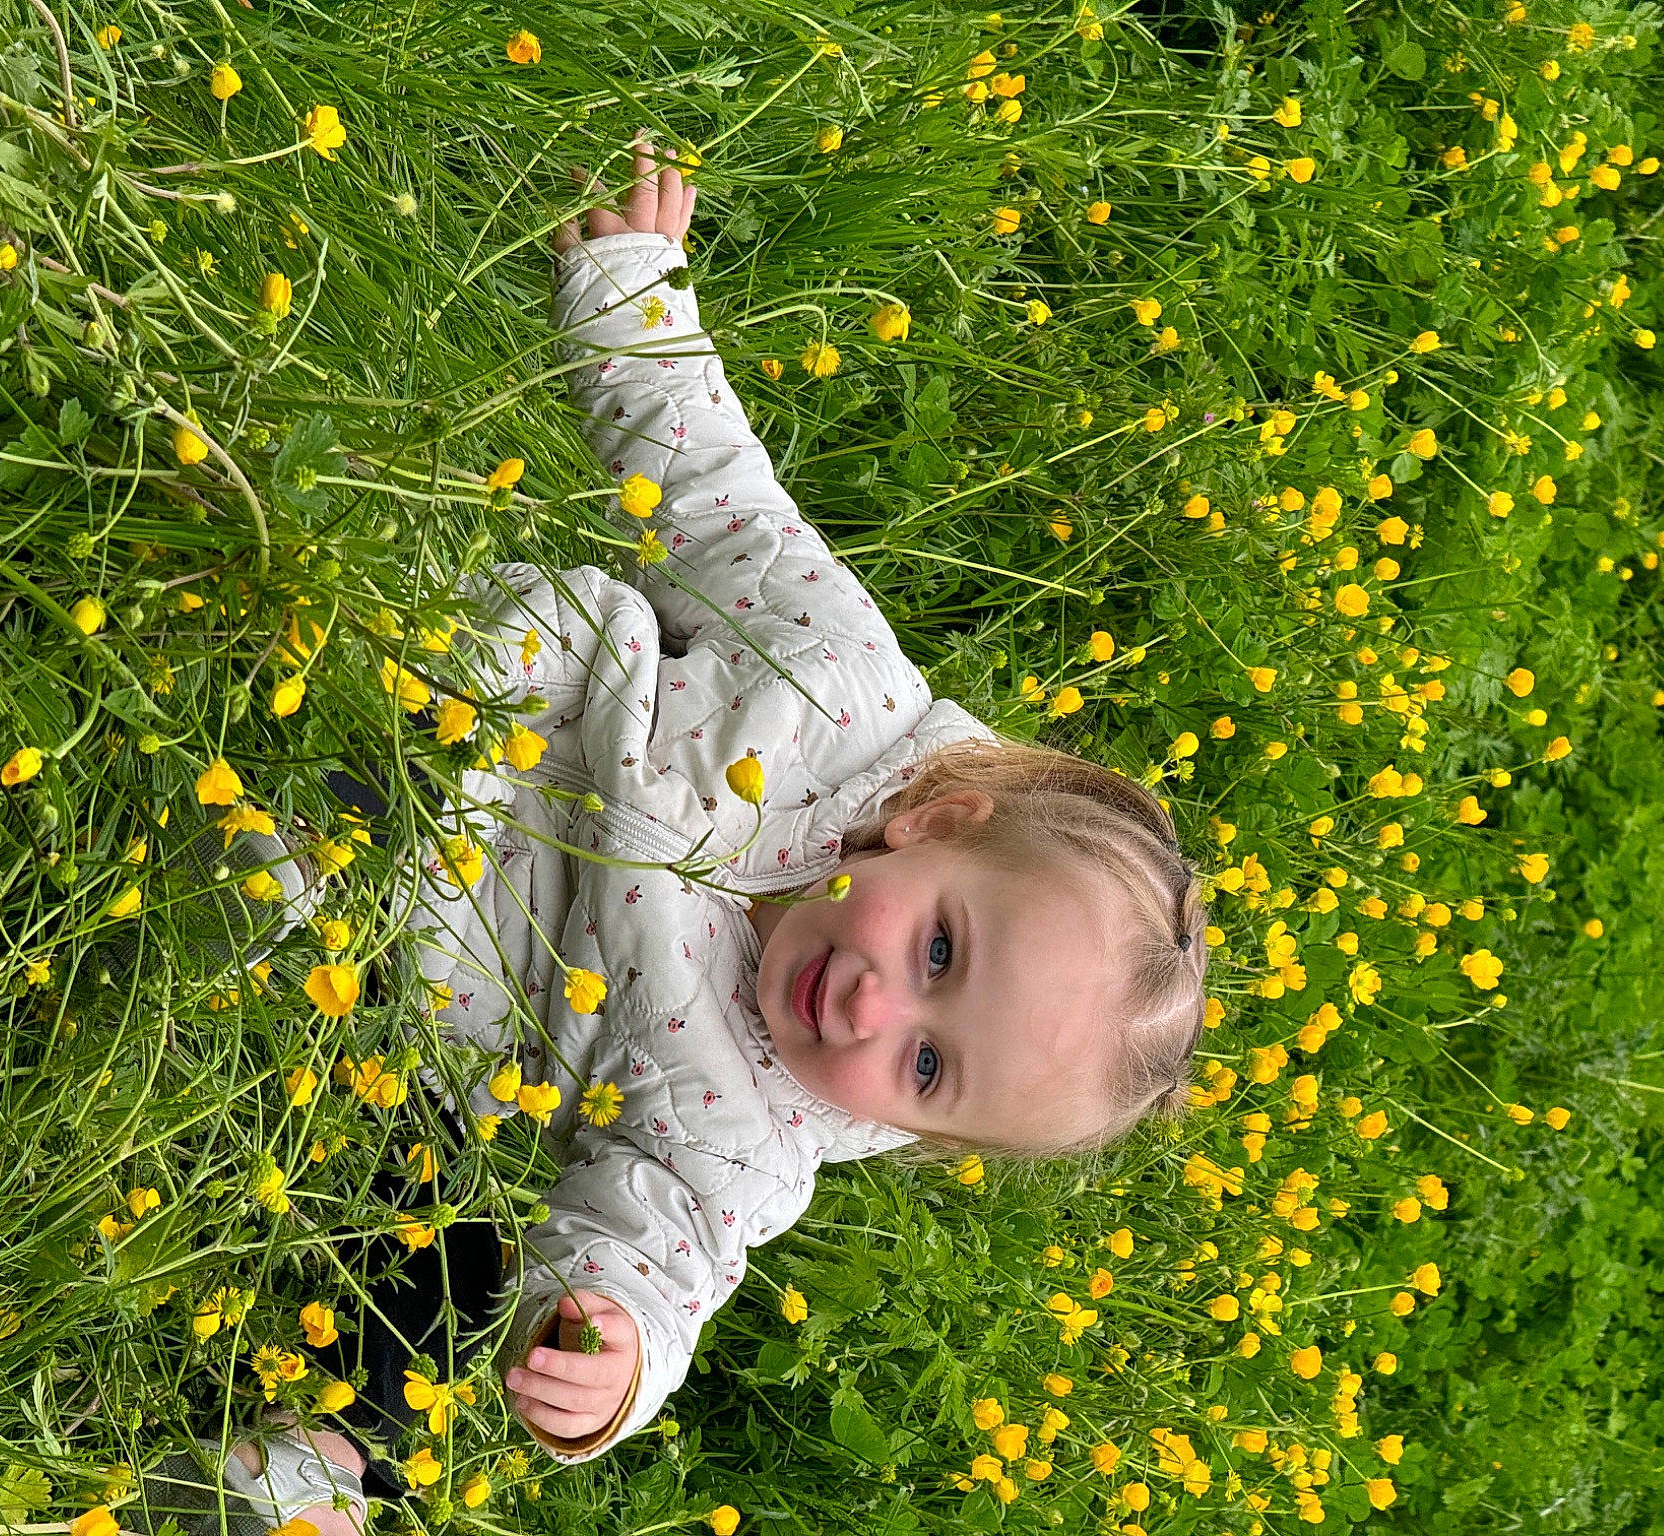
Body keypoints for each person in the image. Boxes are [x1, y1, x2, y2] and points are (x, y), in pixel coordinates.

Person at [148, 134, 1208, 1534]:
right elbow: (718, 507)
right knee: (481, 618)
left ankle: (323, 1463)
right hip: (449, 694)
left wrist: (616, 1339)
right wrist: (633, 299)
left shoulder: (755, 1131)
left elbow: (670, 1252)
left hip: (370, 976)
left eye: (931, 1066)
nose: (875, 1007)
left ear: (919, 1129)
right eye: (940, 948)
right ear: (937, 821)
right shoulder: (837, 685)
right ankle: (241, 558)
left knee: (462, 1249)